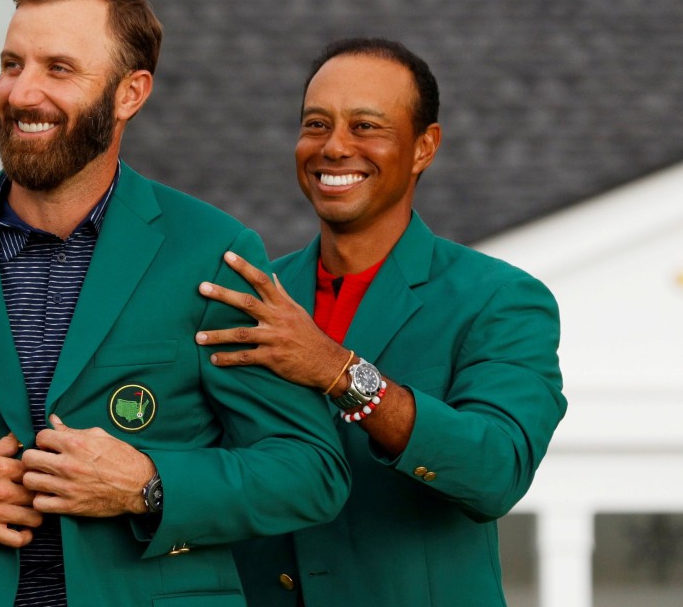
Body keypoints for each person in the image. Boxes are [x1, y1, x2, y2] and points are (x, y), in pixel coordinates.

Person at [0, 0, 349, 607]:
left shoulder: (212, 252)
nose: (22, 93)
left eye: (58, 69)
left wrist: (150, 486)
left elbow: (309, 470)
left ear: (130, 93)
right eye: (13, 64)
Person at [193, 38, 567, 605]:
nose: (334, 147)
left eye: (366, 126)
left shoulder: (500, 299)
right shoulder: (246, 299)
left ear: (424, 147)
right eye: (316, 124)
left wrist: (338, 371)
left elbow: (496, 471)